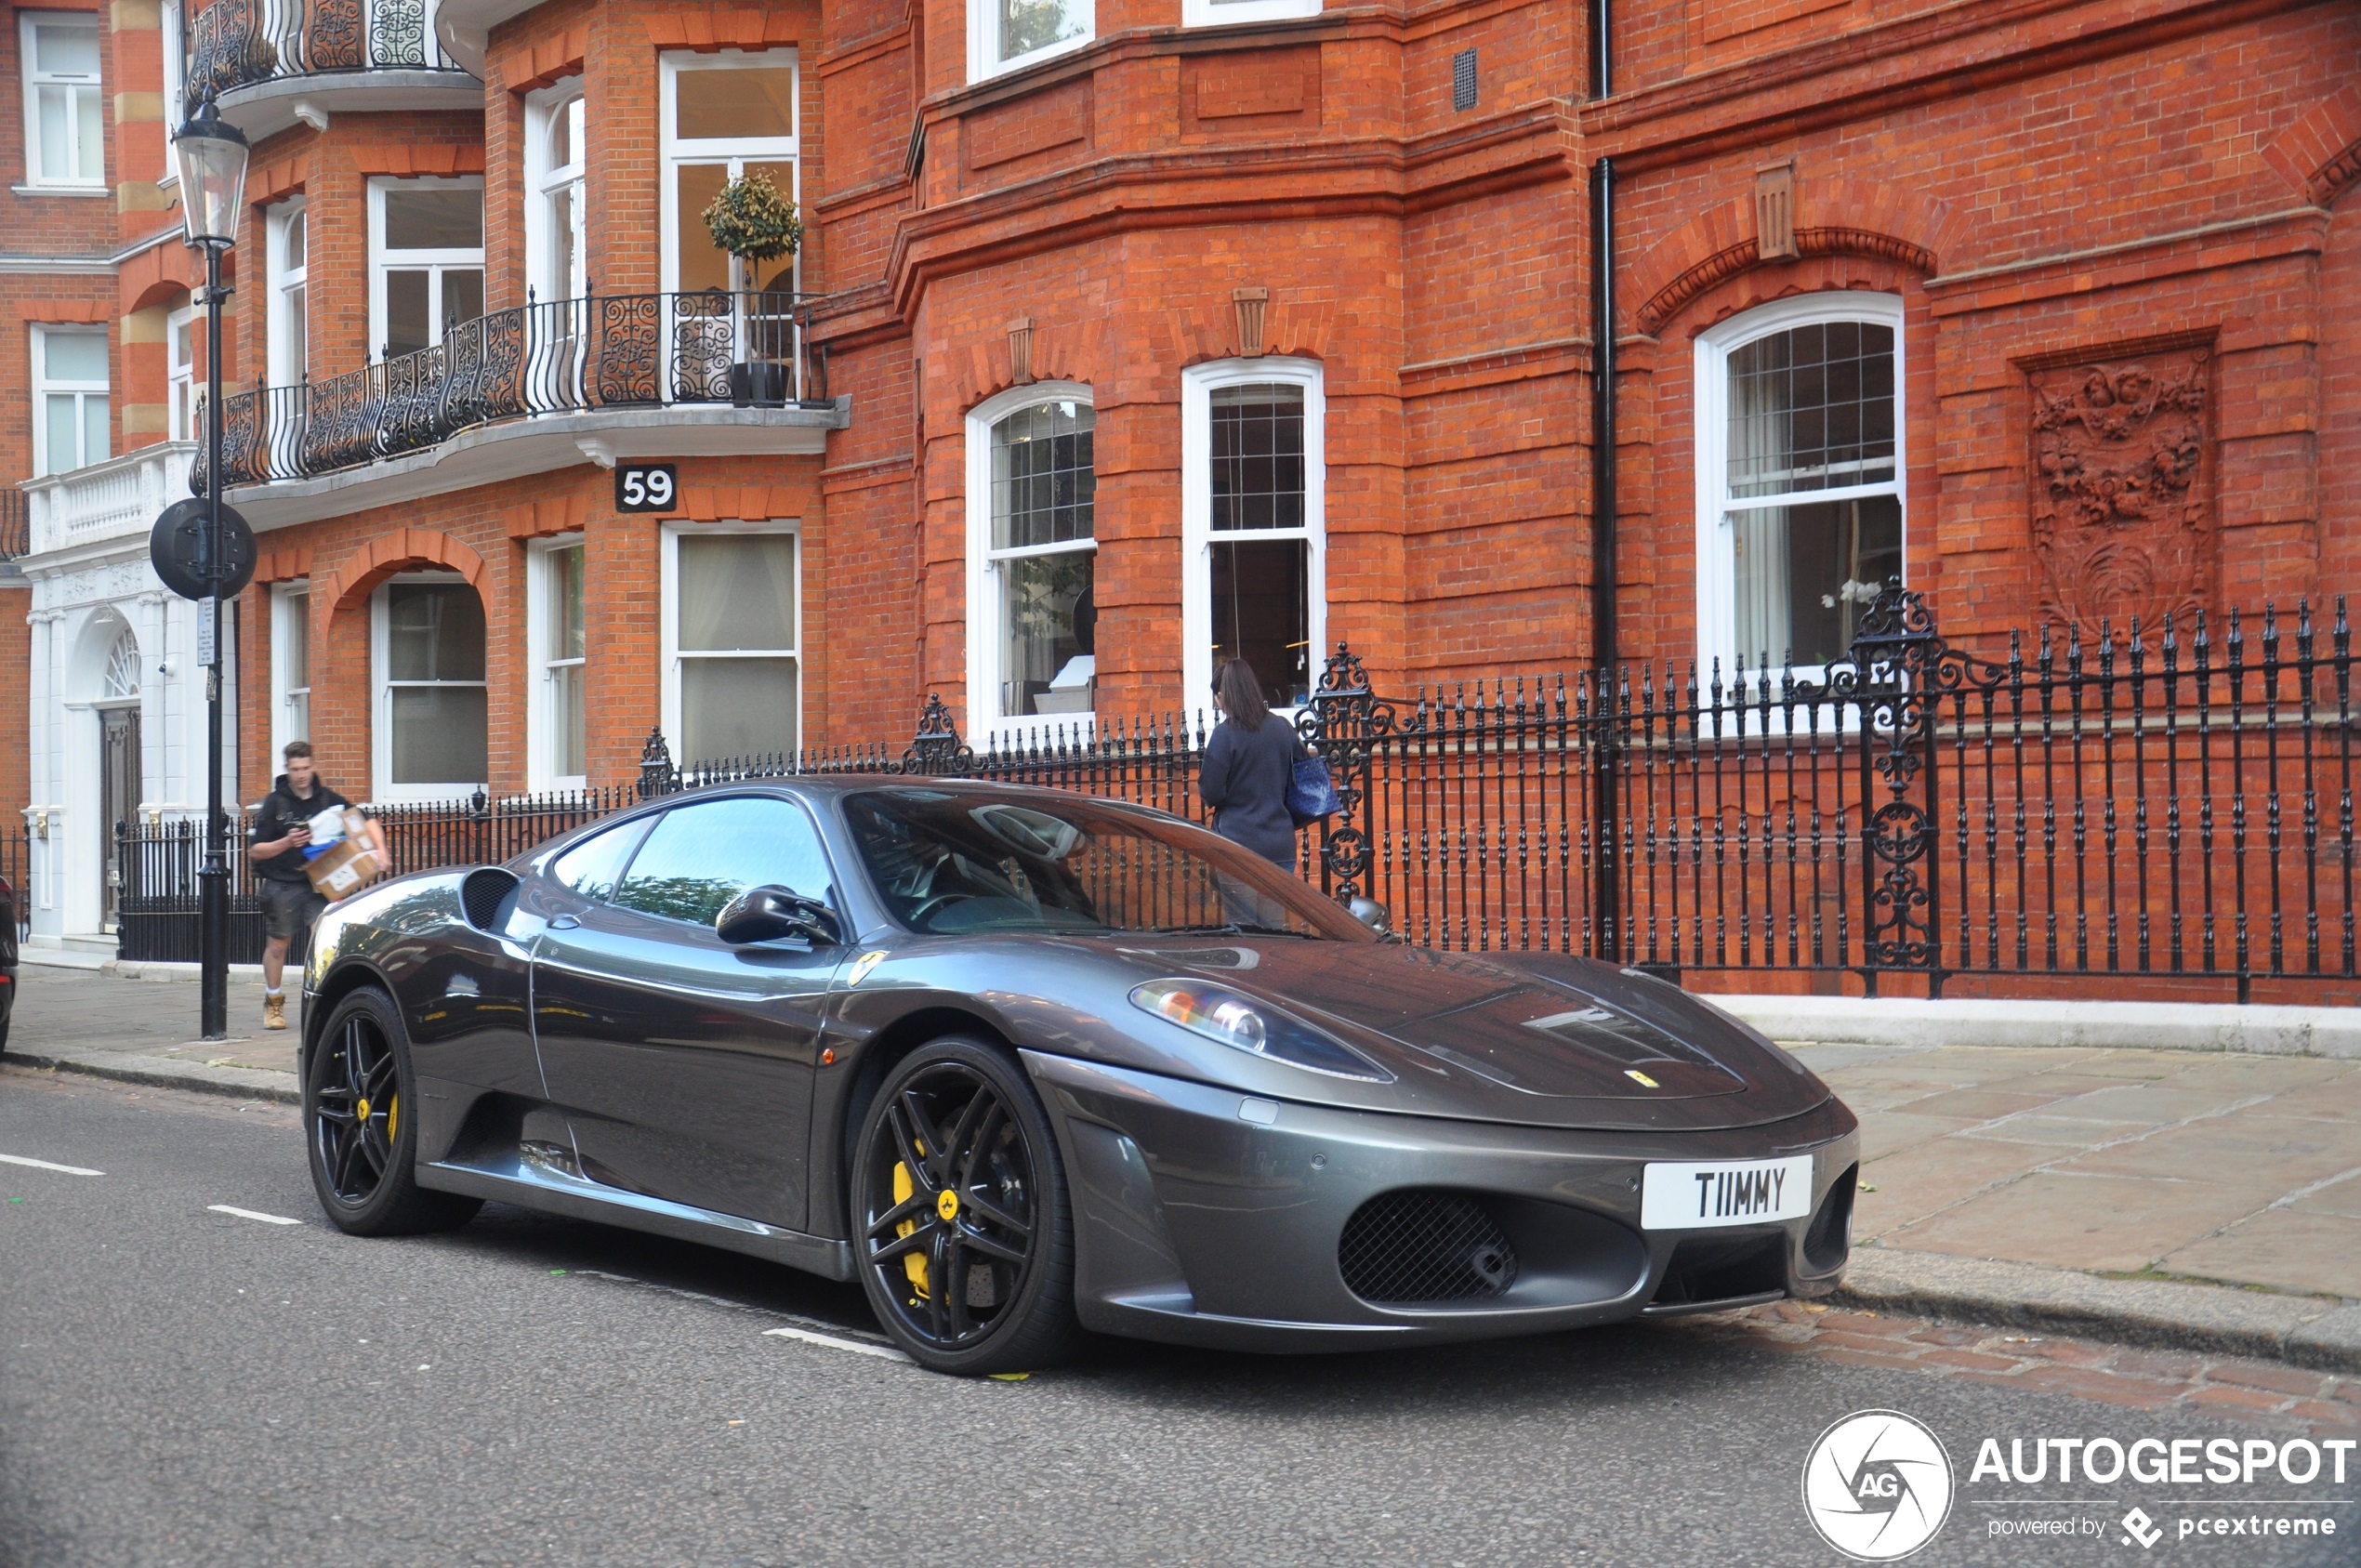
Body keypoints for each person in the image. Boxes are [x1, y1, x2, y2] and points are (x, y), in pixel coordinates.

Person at [246, 742, 385, 1031]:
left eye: (306, 768)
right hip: (282, 884)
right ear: (287, 769)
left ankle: (321, 1004)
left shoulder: (327, 800)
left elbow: (364, 822)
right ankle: (273, 1003)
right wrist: (286, 842)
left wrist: (380, 851)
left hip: (320, 886)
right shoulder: (276, 803)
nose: (301, 775)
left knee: (323, 944)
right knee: (278, 944)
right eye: (295, 769)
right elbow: (255, 851)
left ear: (314, 766)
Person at [1198, 657, 1304, 870]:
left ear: (1221, 697)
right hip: (1279, 845)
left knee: (1240, 906)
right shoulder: (1282, 727)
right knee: (1274, 905)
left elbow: (1211, 792)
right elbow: (1302, 776)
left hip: (1237, 845)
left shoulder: (1224, 735)